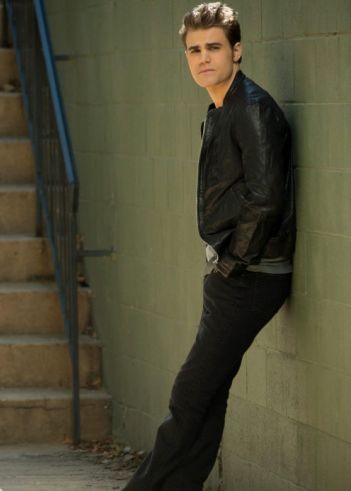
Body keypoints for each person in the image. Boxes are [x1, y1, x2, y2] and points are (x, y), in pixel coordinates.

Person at [122, 3, 295, 490]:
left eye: (213, 47)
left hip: (252, 275)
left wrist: (233, 263)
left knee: (190, 394)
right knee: (206, 396)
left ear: (236, 51)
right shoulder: (221, 106)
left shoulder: (253, 110)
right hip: (237, 273)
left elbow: (266, 199)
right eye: (194, 50)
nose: (203, 58)